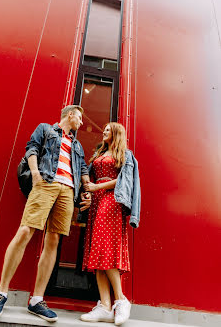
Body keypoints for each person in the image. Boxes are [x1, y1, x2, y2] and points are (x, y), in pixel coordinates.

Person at [0, 105, 90, 322]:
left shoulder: (77, 144)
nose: (81, 123)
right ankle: (1, 293)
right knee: (26, 231)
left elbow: (83, 169)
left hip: (68, 190)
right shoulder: (45, 129)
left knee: (53, 240)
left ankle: (37, 300)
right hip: (46, 183)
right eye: (79, 118)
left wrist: (86, 190)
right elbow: (31, 149)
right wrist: (35, 175)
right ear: (69, 115)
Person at [80, 122, 141, 326]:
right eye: (104, 129)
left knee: (106, 249)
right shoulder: (100, 152)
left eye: (108, 129)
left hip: (112, 199)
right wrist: (90, 192)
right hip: (98, 200)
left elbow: (125, 180)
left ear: (116, 133)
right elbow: (90, 178)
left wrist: (98, 186)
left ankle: (121, 300)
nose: (104, 131)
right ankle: (105, 306)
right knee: (98, 250)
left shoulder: (125, 154)